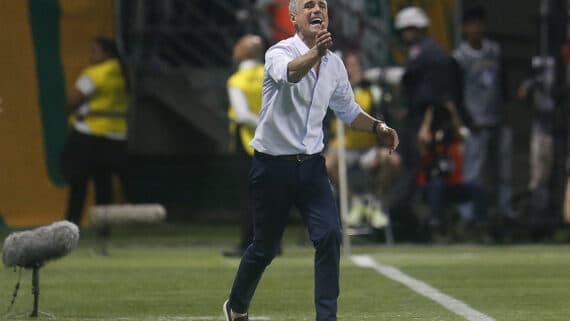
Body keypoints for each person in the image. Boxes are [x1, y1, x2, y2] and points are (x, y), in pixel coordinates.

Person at [222, 1, 399, 320]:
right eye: (308, 5)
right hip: (272, 166)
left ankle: (326, 317)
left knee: (330, 235)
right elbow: (289, 75)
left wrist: (377, 126)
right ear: (293, 18)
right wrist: (316, 53)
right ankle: (236, 305)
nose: (317, 8)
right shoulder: (279, 52)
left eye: (322, 5)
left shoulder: (334, 64)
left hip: (312, 167)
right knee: (264, 248)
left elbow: (348, 110)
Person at [391, 6, 467, 229]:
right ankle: (420, 219)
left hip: (426, 123)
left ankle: (409, 216)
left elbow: (434, 96)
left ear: (419, 29)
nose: (405, 35)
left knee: (422, 169)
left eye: (409, 30)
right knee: (423, 169)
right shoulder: (431, 51)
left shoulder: (426, 53)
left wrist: (424, 125)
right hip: (424, 120)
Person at [324, 51, 400, 229]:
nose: (353, 69)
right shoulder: (332, 89)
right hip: (341, 148)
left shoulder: (372, 91)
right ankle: (354, 202)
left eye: (356, 65)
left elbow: (383, 118)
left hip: (368, 149)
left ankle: (376, 202)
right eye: (348, 65)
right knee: (326, 164)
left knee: (393, 160)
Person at [60, 38, 128, 232]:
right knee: (104, 186)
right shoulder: (121, 72)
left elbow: (74, 100)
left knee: (78, 184)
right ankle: (104, 231)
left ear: (107, 54)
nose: (91, 56)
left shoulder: (95, 73)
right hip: (115, 137)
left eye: (95, 51)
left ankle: (70, 227)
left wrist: (68, 108)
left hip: (88, 135)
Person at [453, 6, 514, 223]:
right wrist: (467, 122)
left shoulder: (494, 51)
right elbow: (457, 94)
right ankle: (469, 216)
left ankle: (504, 211)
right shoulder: (460, 57)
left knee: (503, 171)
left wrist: (505, 109)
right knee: (473, 172)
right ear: (465, 28)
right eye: (472, 24)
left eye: (480, 23)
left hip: (496, 117)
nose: (477, 28)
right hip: (475, 122)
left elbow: (504, 83)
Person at [417, 103, 486, 241]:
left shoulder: (453, 139)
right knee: (437, 185)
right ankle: (435, 226)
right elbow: (422, 138)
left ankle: (479, 227)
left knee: (477, 189)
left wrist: (452, 112)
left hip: (452, 186)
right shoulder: (430, 139)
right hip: (430, 188)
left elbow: (461, 134)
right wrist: (430, 115)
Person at [223, 34, 266, 257]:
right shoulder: (269, 74)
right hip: (273, 142)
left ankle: (248, 243)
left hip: (247, 141)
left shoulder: (237, 80)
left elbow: (241, 115)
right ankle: (272, 242)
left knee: (249, 195)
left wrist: (260, 125)